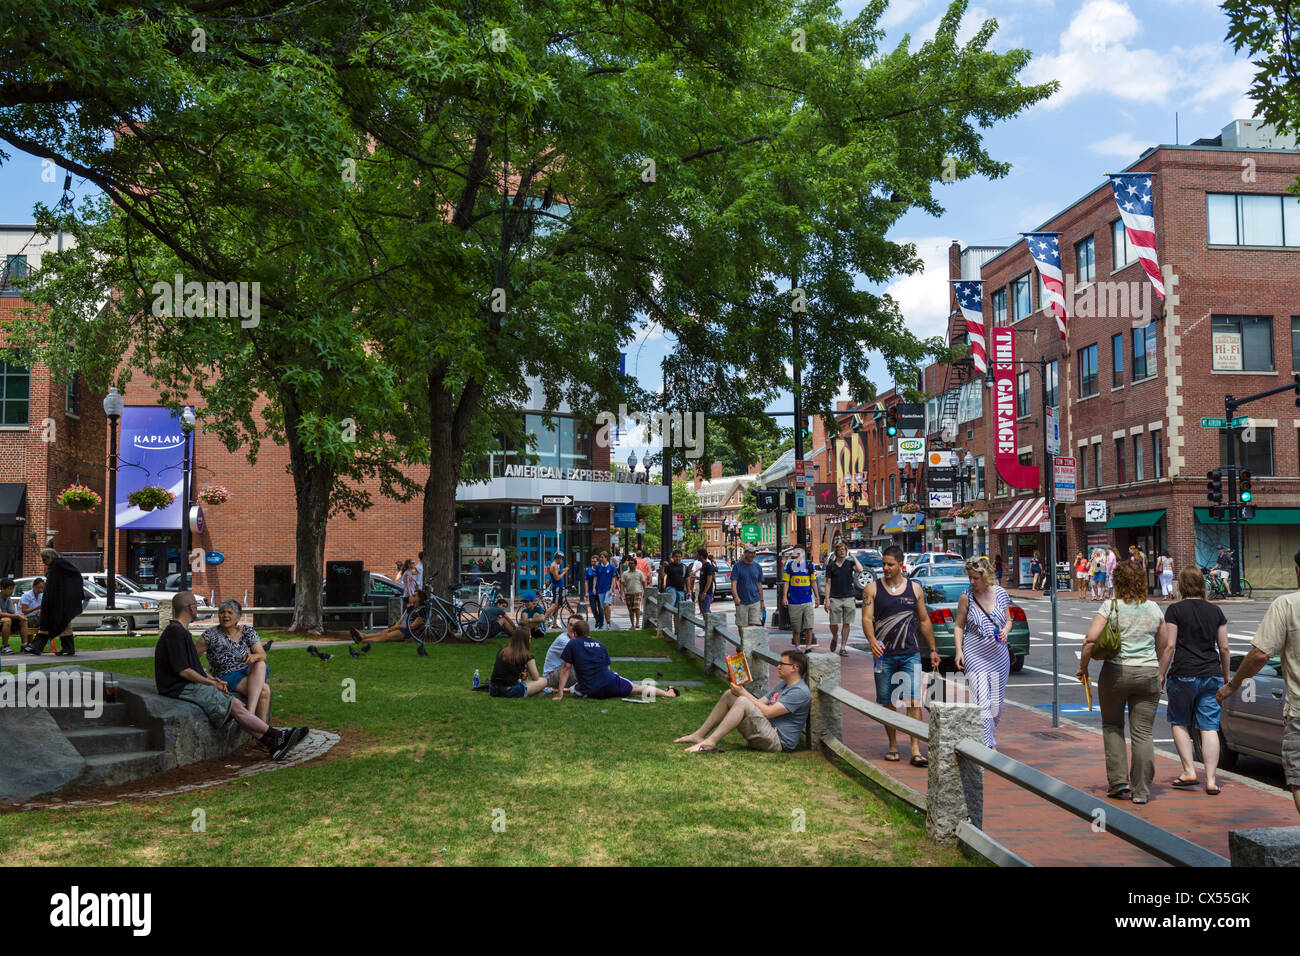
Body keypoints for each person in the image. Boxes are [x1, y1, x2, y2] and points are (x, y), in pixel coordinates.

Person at [155, 592, 308, 759]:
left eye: (229, 612)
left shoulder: (179, 632)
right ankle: (276, 737)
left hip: (188, 685)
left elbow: (191, 666)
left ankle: (273, 741)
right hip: (180, 688)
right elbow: (184, 671)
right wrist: (210, 683)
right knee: (234, 705)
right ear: (191, 607)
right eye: (196, 606)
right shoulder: (176, 633)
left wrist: (211, 679)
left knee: (243, 695)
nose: (224, 616)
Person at [1216, 548, 1300, 818]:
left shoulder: (1287, 604)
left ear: (1298, 572)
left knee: (1298, 778)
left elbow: (1261, 654)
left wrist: (1233, 684)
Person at [1077, 559, 1164, 804]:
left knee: (1113, 725)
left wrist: (1083, 667)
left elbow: (1090, 640)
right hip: (1147, 672)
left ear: (1118, 581)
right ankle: (1142, 791)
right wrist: (1159, 670)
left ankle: (1118, 783)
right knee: (1143, 733)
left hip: (1116, 672)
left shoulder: (1110, 606)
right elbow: (1166, 644)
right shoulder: (1154, 608)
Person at [861, 545, 941, 766]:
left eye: (890, 564)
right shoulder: (872, 589)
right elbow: (867, 619)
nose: (885, 568)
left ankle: (915, 749)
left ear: (900, 566)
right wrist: (871, 641)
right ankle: (893, 744)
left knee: (913, 701)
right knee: (888, 702)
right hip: (884, 656)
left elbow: (924, 620)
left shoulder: (914, 589)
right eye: (883, 564)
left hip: (910, 654)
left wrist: (933, 649)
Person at [1158, 567, 1229, 795]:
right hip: (1211, 673)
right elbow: (1224, 647)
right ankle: (1210, 780)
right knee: (1209, 727)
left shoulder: (1175, 610)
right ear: (1202, 584)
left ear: (1182, 585)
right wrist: (1226, 676)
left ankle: (1189, 770)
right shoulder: (1215, 611)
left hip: (1184, 673)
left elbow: (1170, 645)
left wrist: (1160, 673)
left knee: (1179, 721)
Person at [674, 649, 811, 753]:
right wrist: (738, 689)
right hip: (767, 730)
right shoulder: (783, 684)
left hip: (777, 741)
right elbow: (760, 703)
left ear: (794, 668)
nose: (778, 666)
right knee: (730, 694)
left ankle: (710, 742)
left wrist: (743, 693)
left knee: (742, 700)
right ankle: (699, 735)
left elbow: (768, 713)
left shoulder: (799, 692)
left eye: (782, 664)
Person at [952, 557, 1013, 748]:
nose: (972, 582)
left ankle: (985, 735)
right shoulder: (966, 597)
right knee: (984, 702)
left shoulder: (1001, 593)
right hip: (974, 652)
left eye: (975, 578)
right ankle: (987, 746)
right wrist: (959, 651)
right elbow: (959, 626)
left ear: (985, 576)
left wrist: (1005, 630)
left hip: (998, 654)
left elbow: (1009, 620)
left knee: (997, 705)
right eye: (970, 578)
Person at [552, 618, 680, 700]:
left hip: (590, 690)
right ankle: (666, 693)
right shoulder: (601, 646)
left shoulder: (572, 644)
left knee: (577, 688)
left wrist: (560, 694)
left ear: (574, 634)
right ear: (588, 632)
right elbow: (607, 669)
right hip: (609, 683)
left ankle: (563, 690)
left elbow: (566, 668)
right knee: (637, 688)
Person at [197, 598, 271, 728]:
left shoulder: (248, 632)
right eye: (222, 612)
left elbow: (262, 655)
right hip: (226, 675)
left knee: (260, 663)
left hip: (250, 671)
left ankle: (250, 715)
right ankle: (262, 732)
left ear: (238, 616)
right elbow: (191, 657)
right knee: (264, 690)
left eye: (229, 612)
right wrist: (204, 675)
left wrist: (253, 657)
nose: (225, 615)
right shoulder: (209, 635)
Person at [27, 548, 84, 657]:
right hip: (56, 600)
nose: (43, 562)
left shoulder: (59, 565)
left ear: (50, 557)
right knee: (55, 622)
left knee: (57, 621)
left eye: (44, 560)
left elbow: (73, 577)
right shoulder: (57, 565)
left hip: (59, 600)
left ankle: (39, 646)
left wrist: (68, 594)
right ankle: (38, 647)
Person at [823, 543, 863, 657]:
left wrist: (854, 557)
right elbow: (828, 583)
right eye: (840, 550)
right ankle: (835, 636)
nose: (842, 551)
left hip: (849, 597)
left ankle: (843, 647)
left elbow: (860, 569)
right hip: (835, 598)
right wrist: (826, 600)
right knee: (833, 623)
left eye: (844, 550)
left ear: (846, 552)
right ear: (836, 552)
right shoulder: (831, 565)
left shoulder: (849, 564)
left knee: (847, 623)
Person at [488, 626, 548, 698]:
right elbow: (535, 677)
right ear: (526, 640)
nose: (530, 640)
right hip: (509, 691)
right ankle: (531, 693)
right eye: (530, 638)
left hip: (493, 690)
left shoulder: (502, 651)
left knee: (521, 681)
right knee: (543, 681)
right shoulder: (526, 655)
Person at [780, 547, 820, 650]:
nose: (798, 555)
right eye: (796, 553)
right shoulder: (790, 566)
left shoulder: (810, 566)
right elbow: (786, 582)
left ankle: (808, 648)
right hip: (794, 601)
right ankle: (797, 647)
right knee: (796, 628)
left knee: (809, 626)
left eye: (800, 553)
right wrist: (784, 597)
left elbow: (813, 582)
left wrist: (817, 597)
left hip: (807, 601)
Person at [541, 616, 582, 690]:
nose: (572, 628)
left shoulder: (576, 640)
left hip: (560, 673)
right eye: (570, 625)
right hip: (550, 677)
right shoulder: (563, 640)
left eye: (576, 625)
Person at [731, 544, 765, 628]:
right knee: (742, 627)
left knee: (754, 626)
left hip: (755, 601)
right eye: (750, 553)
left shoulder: (758, 567)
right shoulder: (737, 566)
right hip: (742, 601)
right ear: (745, 553)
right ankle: (744, 641)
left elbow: (759, 585)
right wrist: (736, 597)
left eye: (754, 553)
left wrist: (762, 601)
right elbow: (733, 583)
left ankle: (751, 642)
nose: (753, 555)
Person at [0, 578, 29, 654]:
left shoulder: (8, 599)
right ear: (2, 589)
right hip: (3, 621)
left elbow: (12, 613)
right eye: (10, 589)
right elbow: (0, 614)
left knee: (23, 619)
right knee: (7, 620)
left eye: (13, 589)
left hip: (6, 622)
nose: (12, 591)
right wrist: (16, 616)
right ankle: (5, 646)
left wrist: (20, 616)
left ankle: (24, 645)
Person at [595, 552, 619, 629]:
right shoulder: (598, 566)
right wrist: (594, 588)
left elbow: (613, 579)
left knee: (606, 604)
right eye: (600, 557)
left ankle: (608, 623)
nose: (600, 559)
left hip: (608, 589)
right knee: (603, 607)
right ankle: (608, 622)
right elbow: (595, 577)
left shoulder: (611, 567)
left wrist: (611, 589)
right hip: (600, 589)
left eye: (602, 557)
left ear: (606, 558)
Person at [620, 558, 646, 630]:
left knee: (637, 607)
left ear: (635, 564)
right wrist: (621, 593)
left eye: (632, 563)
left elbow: (643, 582)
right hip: (628, 593)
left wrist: (645, 591)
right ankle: (632, 625)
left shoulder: (639, 573)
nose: (631, 565)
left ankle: (637, 622)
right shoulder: (625, 573)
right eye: (630, 563)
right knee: (631, 610)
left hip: (638, 592)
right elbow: (622, 583)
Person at [543, 553, 568, 627]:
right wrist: (564, 572)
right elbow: (557, 578)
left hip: (558, 587)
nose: (561, 560)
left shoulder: (555, 565)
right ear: (558, 558)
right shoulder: (554, 566)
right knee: (554, 605)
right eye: (561, 559)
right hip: (557, 587)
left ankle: (554, 623)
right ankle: (542, 622)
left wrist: (562, 571)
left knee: (557, 606)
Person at [691, 548, 717, 616]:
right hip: (701, 591)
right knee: (703, 611)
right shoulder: (703, 566)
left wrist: (705, 592)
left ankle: (710, 625)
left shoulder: (708, 566)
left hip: (706, 593)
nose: (696, 556)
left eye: (698, 555)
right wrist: (695, 577)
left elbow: (709, 580)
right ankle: (707, 625)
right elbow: (703, 578)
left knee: (706, 612)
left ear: (701, 556)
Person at [583, 554, 605, 629]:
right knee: (593, 608)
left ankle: (601, 623)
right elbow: (586, 582)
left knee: (601, 608)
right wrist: (586, 592)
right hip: (591, 592)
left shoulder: (601, 570)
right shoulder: (588, 570)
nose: (593, 563)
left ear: (598, 562)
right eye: (592, 561)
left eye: (594, 561)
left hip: (600, 592)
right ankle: (597, 620)